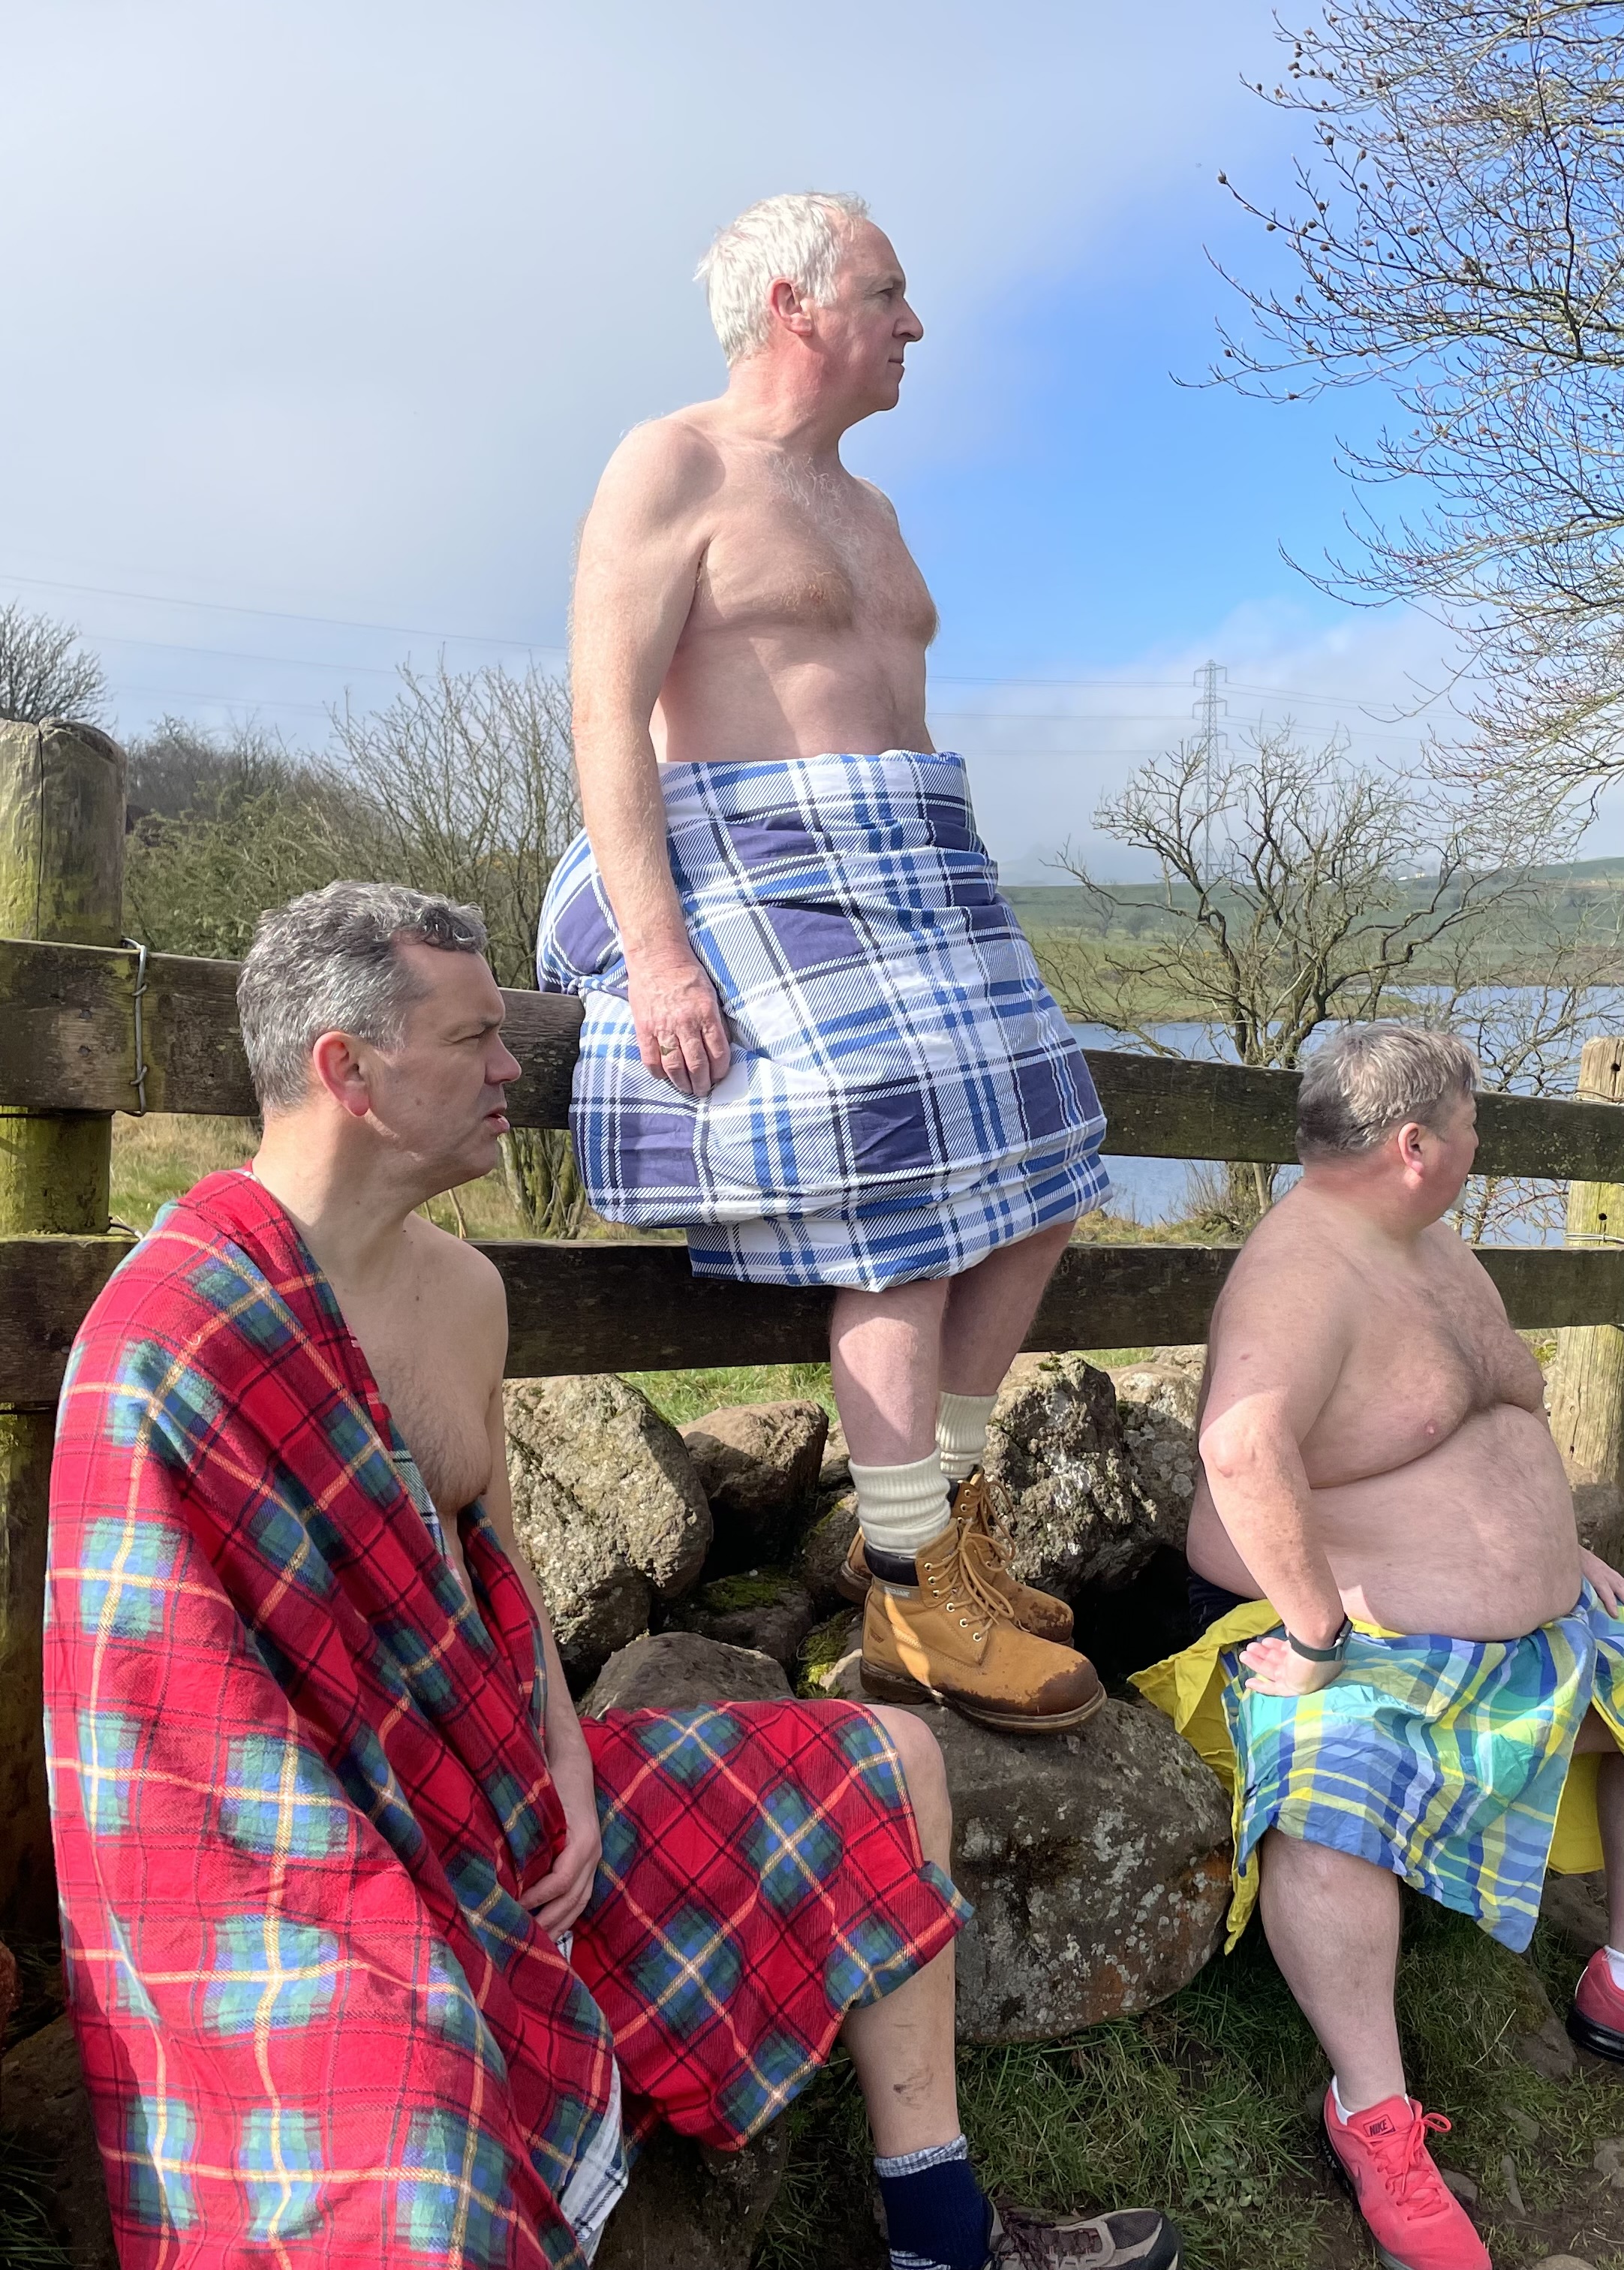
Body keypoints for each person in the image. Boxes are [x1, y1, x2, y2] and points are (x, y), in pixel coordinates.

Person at [44, 882, 1180, 2270]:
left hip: (504, 1797)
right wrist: (400, 1918)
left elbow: (499, 1571)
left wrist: (565, 1757)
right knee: (417, 2179)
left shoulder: (466, 1293)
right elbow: (158, 1765)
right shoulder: (170, 1340)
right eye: (474, 1039)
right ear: (347, 1068)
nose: (518, 1069)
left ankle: (942, 2237)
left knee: (893, 1764)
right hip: (297, 1884)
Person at [539, 190, 1110, 1736]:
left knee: (1053, 1152)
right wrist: (655, 955)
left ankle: (931, 1517)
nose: (914, 326)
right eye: (890, 292)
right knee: (898, 1182)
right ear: (795, 305)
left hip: (910, 862)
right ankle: (915, 1597)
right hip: (751, 860)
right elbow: (604, 717)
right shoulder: (670, 465)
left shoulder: (873, 508)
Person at [1132, 1023, 1624, 2270]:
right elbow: (1242, 1450)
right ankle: (1376, 2113)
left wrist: (1562, 1554)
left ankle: (1620, 1972)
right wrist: (1317, 1635)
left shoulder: (1424, 1239)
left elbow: (1494, 1424)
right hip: (1331, 1618)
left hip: (1502, 1605)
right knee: (1327, 1774)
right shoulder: (1303, 1270)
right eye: (1472, 1133)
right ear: (1417, 1145)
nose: (1480, 1151)